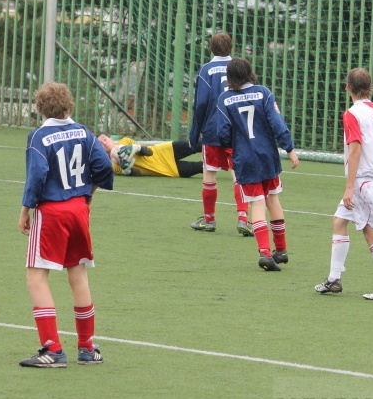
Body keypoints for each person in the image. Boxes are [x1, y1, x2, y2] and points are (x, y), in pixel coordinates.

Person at [18, 82, 114, 368]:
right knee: (79, 276)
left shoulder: (38, 136)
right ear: (69, 105)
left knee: (36, 277)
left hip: (53, 211)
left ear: (39, 107)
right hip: (78, 210)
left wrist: (25, 210)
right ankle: (87, 347)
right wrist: (88, 196)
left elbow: (36, 176)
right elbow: (105, 168)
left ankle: (53, 350)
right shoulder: (84, 132)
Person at [315, 68, 373, 301]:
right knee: (339, 221)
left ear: (348, 87)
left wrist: (349, 187)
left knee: (370, 231)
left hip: (364, 181)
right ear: (370, 87)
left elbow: (356, 150)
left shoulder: (352, 113)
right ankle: (334, 279)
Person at [216, 57, 299, 271]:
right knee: (273, 199)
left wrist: (233, 148)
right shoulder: (263, 93)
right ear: (250, 73)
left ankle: (264, 253)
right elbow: (277, 122)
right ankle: (280, 249)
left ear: (231, 77)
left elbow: (223, 133)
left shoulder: (224, 98)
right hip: (267, 156)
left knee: (257, 204)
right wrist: (289, 149)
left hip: (245, 159)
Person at [188, 33, 252, 235]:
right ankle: (243, 219)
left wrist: (195, 131)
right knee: (238, 175)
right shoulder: (239, 66)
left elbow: (201, 103)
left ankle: (209, 220)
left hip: (213, 128)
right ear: (231, 47)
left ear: (211, 48)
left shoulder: (206, 70)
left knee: (209, 172)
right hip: (236, 128)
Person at [96, 135, 202, 178]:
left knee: (198, 144)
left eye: (105, 139)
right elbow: (135, 173)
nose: (104, 143)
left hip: (165, 151)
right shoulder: (114, 166)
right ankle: (219, 164)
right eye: (100, 143)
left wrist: (133, 149)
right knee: (202, 167)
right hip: (167, 170)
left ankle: (218, 144)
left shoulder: (125, 141)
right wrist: (127, 169)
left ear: (110, 139)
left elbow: (148, 152)